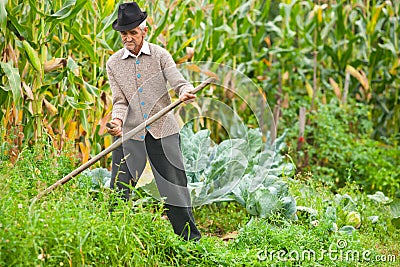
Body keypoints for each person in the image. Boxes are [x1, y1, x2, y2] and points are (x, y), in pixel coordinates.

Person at [105, 2, 201, 241]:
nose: (128, 38)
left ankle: (191, 242)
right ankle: (113, 238)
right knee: (120, 187)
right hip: (130, 132)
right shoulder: (113, 64)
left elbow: (178, 82)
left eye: (133, 33)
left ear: (144, 31)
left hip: (163, 130)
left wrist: (185, 91)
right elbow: (119, 101)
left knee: (174, 188)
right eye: (124, 34)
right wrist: (116, 121)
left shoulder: (159, 55)